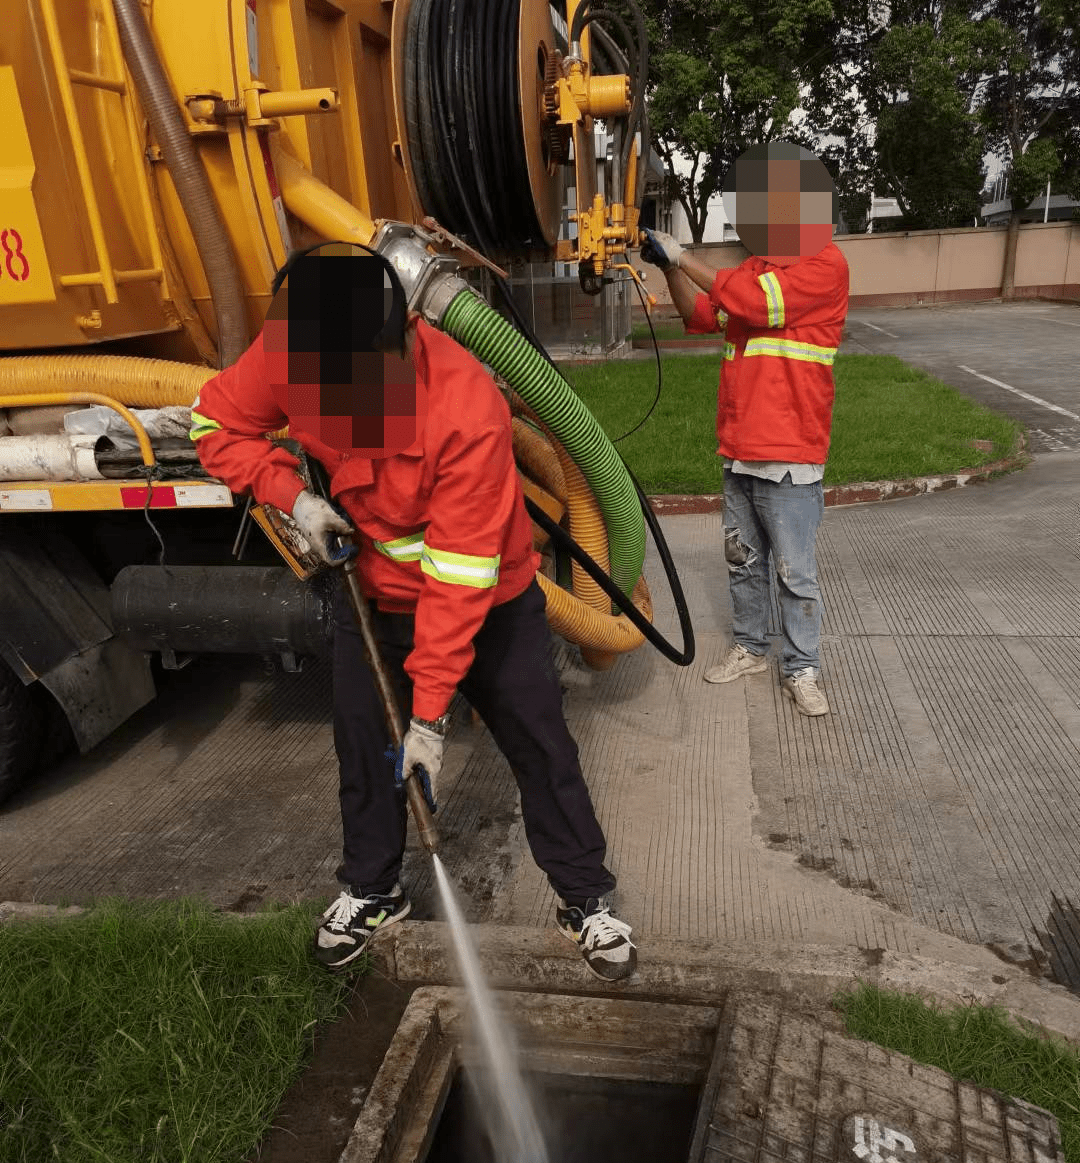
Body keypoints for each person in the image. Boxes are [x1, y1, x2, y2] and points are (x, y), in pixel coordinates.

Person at [189, 243, 635, 981]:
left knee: (540, 746)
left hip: (487, 603)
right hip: (370, 593)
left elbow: (458, 581)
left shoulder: (464, 408)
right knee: (364, 749)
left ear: (401, 342)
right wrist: (291, 495)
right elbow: (214, 426)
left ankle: (585, 898)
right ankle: (373, 889)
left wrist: (430, 718)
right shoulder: (289, 353)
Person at [642, 142, 849, 717]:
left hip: (790, 454)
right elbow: (697, 316)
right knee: (744, 562)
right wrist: (667, 264)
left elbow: (753, 308)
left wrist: (687, 259)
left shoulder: (823, 265)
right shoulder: (752, 271)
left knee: (795, 574)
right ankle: (751, 649)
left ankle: (802, 668)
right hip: (739, 452)